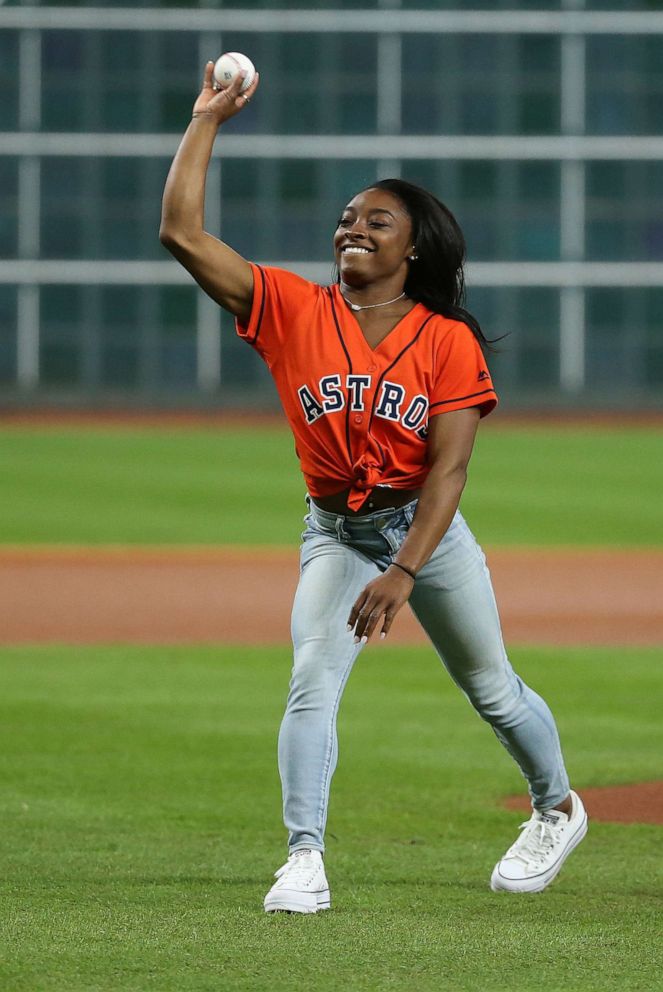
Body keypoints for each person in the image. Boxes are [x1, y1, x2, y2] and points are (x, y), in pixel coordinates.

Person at [160, 63, 588, 914]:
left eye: (376, 220)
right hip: (334, 533)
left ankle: (556, 808)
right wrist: (206, 119)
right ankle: (304, 859)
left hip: (421, 536)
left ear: (413, 246)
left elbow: (449, 471)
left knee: (492, 689)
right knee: (312, 679)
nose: (352, 227)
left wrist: (404, 572)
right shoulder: (290, 309)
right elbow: (180, 233)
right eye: (347, 218)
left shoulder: (446, 341)